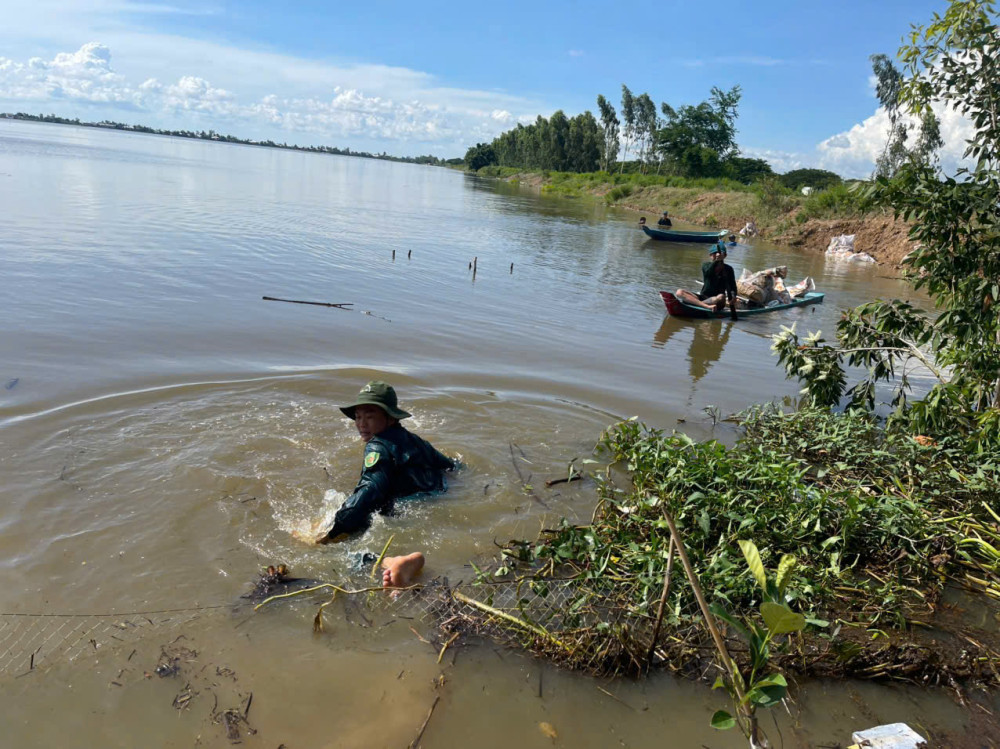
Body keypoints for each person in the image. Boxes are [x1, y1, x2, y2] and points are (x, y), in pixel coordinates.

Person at [305, 381, 456, 587]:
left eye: (370, 416)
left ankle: (390, 561)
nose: (361, 424)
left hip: (398, 511)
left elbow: (370, 489)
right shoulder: (413, 439)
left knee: (338, 552)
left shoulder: (377, 447)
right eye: (358, 417)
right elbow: (450, 466)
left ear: (390, 418)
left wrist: (332, 531)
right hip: (431, 499)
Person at [674, 242, 738, 313]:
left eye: (720, 254)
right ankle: (705, 306)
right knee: (679, 292)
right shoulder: (706, 265)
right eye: (714, 254)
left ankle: (693, 303)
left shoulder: (729, 269)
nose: (717, 255)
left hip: (717, 300)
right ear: (710, 255)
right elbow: (708, 273)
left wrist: (733, 296)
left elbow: (733, 286)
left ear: (725, 256)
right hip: (703, 297)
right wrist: (716, 261)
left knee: (721, 296)